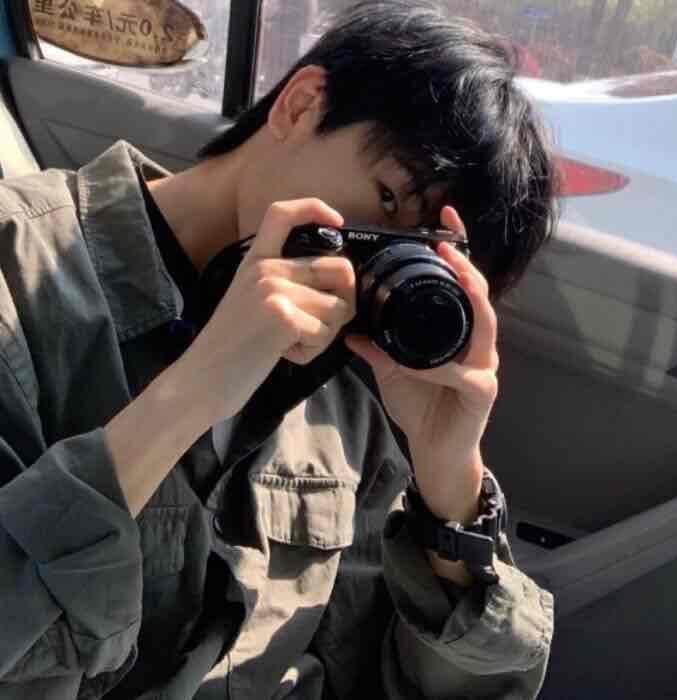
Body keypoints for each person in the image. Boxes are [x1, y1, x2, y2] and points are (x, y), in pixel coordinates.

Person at [0, 1, 557, 698]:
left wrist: (450, 492)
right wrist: (189, 395)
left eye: (431, 251)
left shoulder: (348, 405)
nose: (377, 259)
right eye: (387, 200)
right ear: (300, 106)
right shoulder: (20, 275)